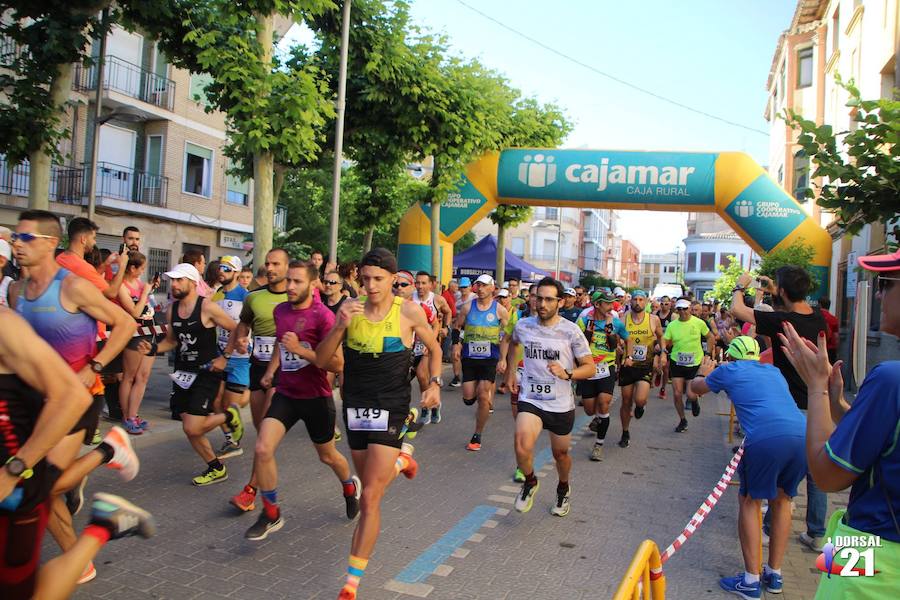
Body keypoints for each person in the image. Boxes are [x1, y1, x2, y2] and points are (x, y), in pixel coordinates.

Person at [10, 210, 137, 583]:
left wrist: (95, 366)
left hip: (78, 397)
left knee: (40, 484)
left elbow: (125, 323)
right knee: (41, 492)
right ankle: (78, 561)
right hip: (34, 399)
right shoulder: (15, 291)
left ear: (50, 243)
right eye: (15, 237)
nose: (17, 244)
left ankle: (110, 449)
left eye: (26, 238)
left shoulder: (71, 287)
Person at [313, 248, 441, 600]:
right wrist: (339, 324)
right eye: (365, 279)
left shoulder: (409, 312)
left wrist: (433, 384)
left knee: (370, 496)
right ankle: (402, 461)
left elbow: (434, 348)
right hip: (355, 406)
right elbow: (323, 362)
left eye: (378, 279)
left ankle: (351, 582)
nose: (370, 286)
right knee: (372, 480)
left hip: (392, 406)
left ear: (393, 280)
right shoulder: (347, 312)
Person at [0, 307, 152, 600]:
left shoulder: (9, 323)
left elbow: (71, 394)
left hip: (15, 483)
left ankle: (102, 524)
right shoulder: (21, 291)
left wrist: (14, 470)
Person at [778, 249, 900, 600]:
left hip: (871, 555)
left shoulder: (890, 380)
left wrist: (816, 389)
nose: (878, 294)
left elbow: (827, 475)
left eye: (886, 283)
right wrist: (841, 406)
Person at [246, 261, 360, 540]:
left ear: (313, 285)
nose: (290, 287)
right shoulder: (280, 310)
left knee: (327, 455)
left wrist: (301, 350)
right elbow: (280, 342)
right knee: (262, 448)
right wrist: (272, 371)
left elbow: (337, 364)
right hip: (287, 393)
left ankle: (348, 486)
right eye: (289, 281)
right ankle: (271, 512)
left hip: (316, 397)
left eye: (297, 282)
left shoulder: (323, 317)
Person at [690, 337, 807, 598]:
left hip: (765, 439)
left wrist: (703, 371)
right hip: (801, 436)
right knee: (782, 500)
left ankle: (750, 581)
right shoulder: (774, 371)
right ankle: (775, 575)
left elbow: (694, 390)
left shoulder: (728, 370)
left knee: (749, 501)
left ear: (731, 356)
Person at [730, 267, 828, 551]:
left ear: (782, 292)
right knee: (814, 473)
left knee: (779, 478)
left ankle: (770, 528)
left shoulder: (781, 321)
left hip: (785, 408)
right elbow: (795, 302)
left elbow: (739, 310)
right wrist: (778, 290)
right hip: (817, 405)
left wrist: (740, 286)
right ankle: (816, 532)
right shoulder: (819, 317)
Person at [137, 263, 244, 485]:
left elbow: (235, 329)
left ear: (193, 283)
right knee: (190, 427)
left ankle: (228, 416)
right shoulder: (171, 310)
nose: (173, 284)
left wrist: (224, 357)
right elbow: (172, 341)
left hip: (207, 372)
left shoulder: (206, 307)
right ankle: (216, 467)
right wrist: (154, 349)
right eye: (172, 280)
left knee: (192, 426)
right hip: (183, 373)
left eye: (179, 280)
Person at [504, 277, 594, 517]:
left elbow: (590, 367)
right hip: (531, 398)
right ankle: (530, 482)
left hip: (560, 403)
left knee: (560, 454)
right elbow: (512, 344)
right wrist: (511, 370)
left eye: (548, 299)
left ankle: (563, 487)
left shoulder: (570, 331)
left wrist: (568, 373)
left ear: (560, 302)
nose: (541, 304)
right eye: (538, 298)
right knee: (522, 443)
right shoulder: (523, 326)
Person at [229, 249, 289, 512]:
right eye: (268, 263)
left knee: (265, 434)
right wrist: (241, 341)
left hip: (283, 372)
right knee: (261, 434)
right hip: (256, 367)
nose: (271, 268)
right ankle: (266, 478)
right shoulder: (254, 298)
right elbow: (243, 326)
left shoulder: (295, 298)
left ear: (288, 267)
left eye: (276, 263)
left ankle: (251, 490)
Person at [453, 274, 509, 451]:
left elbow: (507, 335)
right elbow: (457, 327)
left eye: (485, 285)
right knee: (469, 398)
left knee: (484, 396)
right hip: (470, 357)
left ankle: (477, 434)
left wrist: (502, 358)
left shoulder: (500, 310)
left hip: (489, 358)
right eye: (479, 285)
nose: (481, 288)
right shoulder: (468, 307)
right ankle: (477, 396)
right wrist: (456, 344)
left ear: (493, 288)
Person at [577, 290, 630, 461]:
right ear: (597, 304)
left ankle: (599, 445)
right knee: (589, 409)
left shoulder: (615, 322)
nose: (611, 306)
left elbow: (620, 342)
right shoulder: (584, 320)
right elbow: (579, 342)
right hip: (588, 368)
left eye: (612, 303)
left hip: (607, 367)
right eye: (607, 303)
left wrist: (628, 356)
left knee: (604, 403)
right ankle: (596, 418)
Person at [211, 255, 252, 459]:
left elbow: (252, 325)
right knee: (215, 402)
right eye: (220, 268)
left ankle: (233, 440)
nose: (222, 272)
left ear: (236, 273)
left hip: (240, 359)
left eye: (227, 269)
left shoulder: (245, 296)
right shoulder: (216, 295)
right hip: (220, 355)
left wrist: (247, 343)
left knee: (228, 406)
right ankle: (231, 440)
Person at [115, 252, 160, 434]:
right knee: (129, 376)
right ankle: (127, 417)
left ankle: (134, 414)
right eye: (141, 268)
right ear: (132, 268)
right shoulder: (122, 287)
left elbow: (149, 306)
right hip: (133, 334)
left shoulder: (140, 284)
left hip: (150, 332)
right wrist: (145, 294)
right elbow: (134, 311)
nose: (142, 272)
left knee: (143, 376)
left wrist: (149, 291)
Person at [618, 290, 665, 448]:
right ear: (630, 302)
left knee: (639, 399)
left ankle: (640, 405)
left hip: (645, 365)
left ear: (646, 302)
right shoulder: (623, 319)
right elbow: (617, 339)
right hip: (628, 365)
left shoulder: (653, 319)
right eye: (635, 299)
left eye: (641, 299)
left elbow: (660, 336)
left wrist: (663, 353)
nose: (637, 302)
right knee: (625, 401)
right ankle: (625, 432)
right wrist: (618, 347)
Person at [663, 298, 714, 433]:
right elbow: (666, 341)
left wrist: (707, 353)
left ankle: (694, 401)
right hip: (676, 361)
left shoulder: (699, 323)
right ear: (677, 310)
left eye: (685, 308)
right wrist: (662, 350)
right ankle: (682, 420)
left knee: (691, 394)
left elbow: (711, 337)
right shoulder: (672, 325)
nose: (683, 311)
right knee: (677, 393)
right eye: (679, 309)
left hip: (694, 362)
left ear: (690, 309)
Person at [414, 271, 450, 424]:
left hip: (430, 342)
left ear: (430, 284)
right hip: (412, 343)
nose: (420, 286)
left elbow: (448, 312)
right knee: (424, 379)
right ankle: (433, 402)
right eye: (418, 283)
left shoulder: (437, 299)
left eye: (423, 283)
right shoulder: (410, 299)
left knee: (422, 374)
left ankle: (425, 408)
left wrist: (446, 328)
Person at [818, 296, 839, 364]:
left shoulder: (816, 317)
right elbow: (836, 336)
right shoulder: (834, 319)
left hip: (818, 347)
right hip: (830, 349)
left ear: (820, 305)